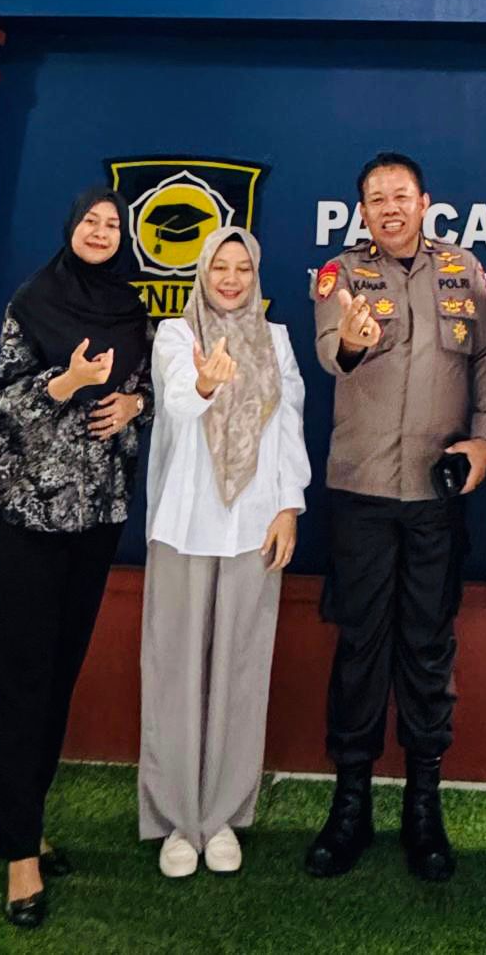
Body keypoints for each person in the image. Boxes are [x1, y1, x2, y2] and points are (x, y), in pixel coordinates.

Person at [304, 151, 486, 882]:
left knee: (427, 647)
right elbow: (330, 351)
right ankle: (350, 805)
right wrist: (351, 342)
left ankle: (424, 807)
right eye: (376, 199)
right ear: (362, 212)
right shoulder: (341, 274)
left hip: (435, 492)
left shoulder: (464, 270)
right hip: (360, 490)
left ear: (425, 203)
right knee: (360, 646)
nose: (389, 208)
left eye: (401, 196)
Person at [0, 186, 154, 928]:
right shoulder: (32, 302)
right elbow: (7, 401)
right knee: (18, 679)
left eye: (113, 224)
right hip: (29, 516)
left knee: (56, 678)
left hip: (96, 517)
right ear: (71, 226)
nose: (101, 231)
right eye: (91, 220)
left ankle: (27, 822)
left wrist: (135, 406)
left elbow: (147, 388)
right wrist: (69, 383)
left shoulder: (130, 310)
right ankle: (18, 854)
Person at [139, 226, 310, 879]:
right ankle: (177, 819)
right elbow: (179, 402)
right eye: (220, 267)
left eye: (242, 267)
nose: (231, 279)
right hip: (184, 525)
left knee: (241, 669)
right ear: (202, 273)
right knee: (176, 670)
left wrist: (288, 506)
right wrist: (208, 384)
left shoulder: (277, 340)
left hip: (254, 525)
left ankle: (223, 817)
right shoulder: (176, 334)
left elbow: (289, 424)